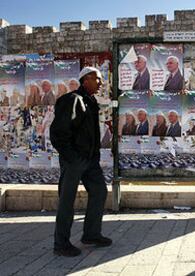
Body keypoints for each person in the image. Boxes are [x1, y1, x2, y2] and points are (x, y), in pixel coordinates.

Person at [50, 67, 111, 257]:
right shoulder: (72, 100)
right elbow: (58, 133)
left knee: (99, 191)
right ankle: (61, 244)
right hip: (74, 161)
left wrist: (92, 157)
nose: (101, 83)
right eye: (98, 79)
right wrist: (72, 157)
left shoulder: (90, 101)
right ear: (86, 80)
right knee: (67, 201)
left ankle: (91, 234)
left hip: (90, 161)